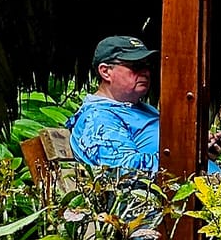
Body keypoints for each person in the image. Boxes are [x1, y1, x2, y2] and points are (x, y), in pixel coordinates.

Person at [69, 35, 160, 171]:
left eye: (148, 66)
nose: (146, 72)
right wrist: (183, 158)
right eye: (136, 66)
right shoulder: (97, 118)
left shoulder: (142, 109)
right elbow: (125, 172)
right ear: (105, 72)